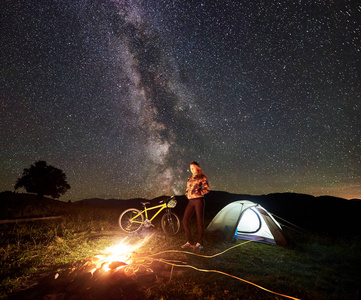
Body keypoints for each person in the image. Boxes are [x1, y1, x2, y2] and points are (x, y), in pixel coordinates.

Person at [181, 161, 210, 250]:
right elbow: (188, 188)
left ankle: (200, 242)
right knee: (184, 220)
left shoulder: (202, 177)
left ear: (197, 167)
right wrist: (187, 194)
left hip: (198, 200)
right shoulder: (190, 178)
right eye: (190, 168)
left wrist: (199, 192)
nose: (191, 170)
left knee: (199, 221)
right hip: (191, 201)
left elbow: (207, 188)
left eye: (193, 168)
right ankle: (190, 242)